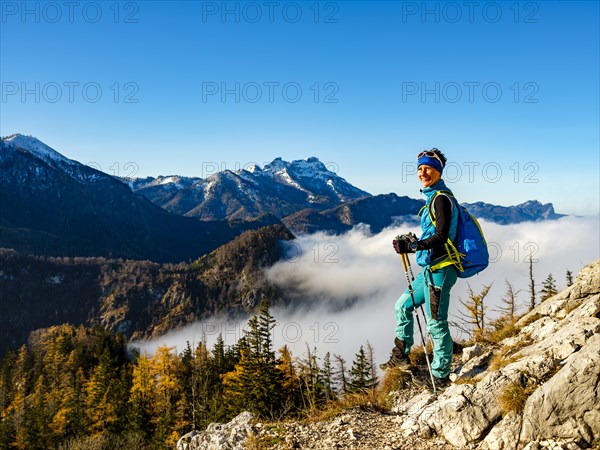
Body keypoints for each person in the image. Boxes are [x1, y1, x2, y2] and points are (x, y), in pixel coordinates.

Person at [380, 148, 459, 387]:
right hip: (428, 269)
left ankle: (441, 374)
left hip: (441, 270)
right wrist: (413, 243)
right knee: (403, 305)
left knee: (435, 322)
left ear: (438, 171)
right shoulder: (432, 199)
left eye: (428, 168)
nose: (423, 173)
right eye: (420, 169)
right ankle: (401, 356)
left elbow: (442, 236)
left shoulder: (442, 199)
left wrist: (414, 246)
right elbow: (432, 234)